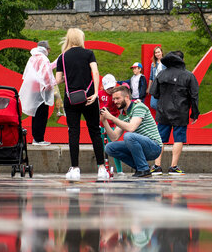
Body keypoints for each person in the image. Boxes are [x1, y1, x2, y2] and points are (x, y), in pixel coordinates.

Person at [54, 28, 108, 181]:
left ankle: (75, 168)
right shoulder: (89, 53)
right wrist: (96, 93)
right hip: (89, 96)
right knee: (95, 131)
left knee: (73, 132)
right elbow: (95, 73)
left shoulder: (62, 57)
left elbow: (58, 80)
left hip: (71, 99)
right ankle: (101, 168)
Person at [148, 51, 200, 175]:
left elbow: (154, 92)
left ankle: (157, 166)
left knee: (159, 139)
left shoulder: (161, 74)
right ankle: (173, 167)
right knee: (178, 139)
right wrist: (195, 113)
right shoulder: (189, 76)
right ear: (182, 60)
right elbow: (194, 96)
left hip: (163, 111)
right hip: (180, 112)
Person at [101, 86, 163, 178]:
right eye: (113, 99)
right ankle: (141, 167)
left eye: (117, 98)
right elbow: (114, 137)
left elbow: (131, 128)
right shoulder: (123, 115)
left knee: (129, 136)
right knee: (110, 147)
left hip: (154, 147)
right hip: (139, 146)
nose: (115, 101)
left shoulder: (139, 106)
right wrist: (104, 121)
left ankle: (143, 169)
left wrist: (112, 118)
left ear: (126, 97)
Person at [20, 40, 61, 146]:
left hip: (34, 90)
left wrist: (56, 62)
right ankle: (39, 139)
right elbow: (46, 75)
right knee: (42, 115)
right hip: (42, 91)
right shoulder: (44, 58)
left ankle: (36, 138)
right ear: (46, 49)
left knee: (36, 114)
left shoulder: (33, 57)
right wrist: (54, 83)